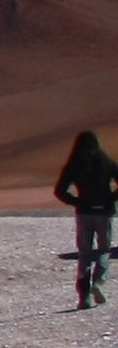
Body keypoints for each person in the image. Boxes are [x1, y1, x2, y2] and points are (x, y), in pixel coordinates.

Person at [62, 128, 118, 311]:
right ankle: (99, 282)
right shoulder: (106, 161)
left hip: (84, 213)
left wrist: (76, 201)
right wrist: (111, 199)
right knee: (103, 250)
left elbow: (59, 190)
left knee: (84, 254)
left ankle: (83, 298)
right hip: (104, 212)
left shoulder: (74, 163)